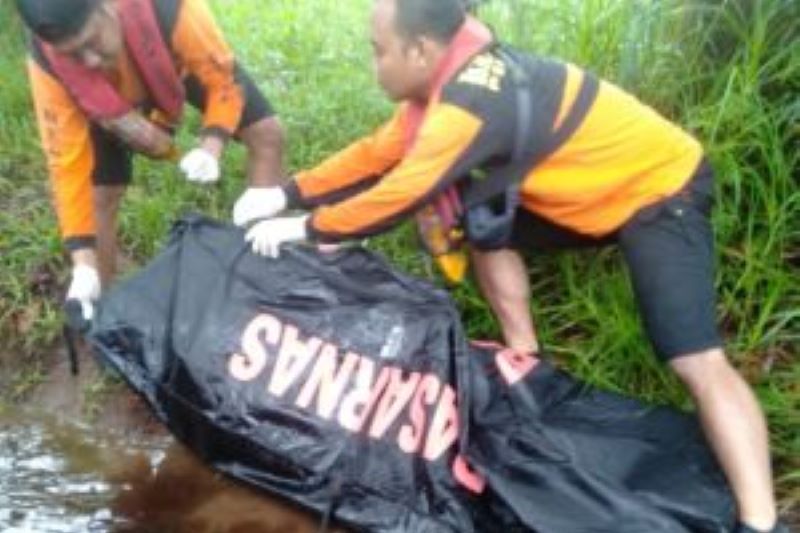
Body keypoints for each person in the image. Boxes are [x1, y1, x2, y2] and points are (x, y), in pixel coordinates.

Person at [231, 0, 784, 531]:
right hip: (589, 194)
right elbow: (375, 154)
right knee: (483, 225)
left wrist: (305, 227)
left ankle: (761, 519)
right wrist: (287, 193)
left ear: (420, 50)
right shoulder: (445, 84)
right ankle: (524, 356)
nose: (374, 65)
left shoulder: (470, 105)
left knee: (696, 361)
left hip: (661, 191)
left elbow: (400, 193)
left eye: (379, 50)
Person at [16, 0, 285, 320]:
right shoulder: (50, 65)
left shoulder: (170, 7)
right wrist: (81, 263)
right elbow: (66, 164)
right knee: (99, 195)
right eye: (73, 53)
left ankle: (263, 264)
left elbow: (222, 79)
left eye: (91, 41)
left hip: (169, 57)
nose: (89, 59)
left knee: (268, 134)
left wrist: (211, 146)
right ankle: (102, 313)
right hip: (99, 102)